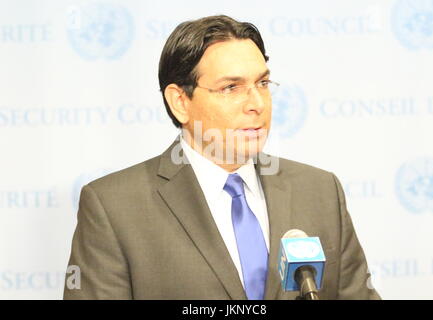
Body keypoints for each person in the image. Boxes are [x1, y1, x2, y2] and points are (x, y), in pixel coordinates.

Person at [64, 15, 380, 300]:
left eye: (263, 83)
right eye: (231, 87)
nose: (257, 103)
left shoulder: (320, 191)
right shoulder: (114, 207)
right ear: (179, 102)